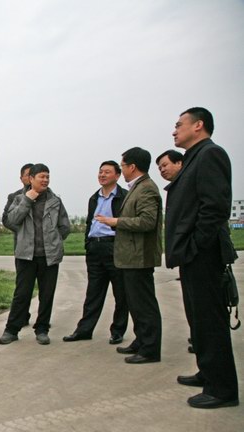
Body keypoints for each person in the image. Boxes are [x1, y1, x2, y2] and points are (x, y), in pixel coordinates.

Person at [165, 107, 238, 409]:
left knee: (210, 321)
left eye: (179, 124)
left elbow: (215, 207)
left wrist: (196, 245)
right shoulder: (194, 158)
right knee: (198, 319)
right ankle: (208, 372)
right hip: (192, 255)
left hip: (203, 255)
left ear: (198, 125)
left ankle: (222, 390)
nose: (174, 130)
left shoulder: (210, 154)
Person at [95, 147, 162, 364]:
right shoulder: (136, 188)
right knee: (135, 304)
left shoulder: (146, 188)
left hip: (139, 257)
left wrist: (116, 221)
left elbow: (147, 221)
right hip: (130, 257)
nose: (122, 169)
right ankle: (141, 341)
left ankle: (150, 349)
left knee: (144, 305)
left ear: (132, 167)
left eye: (122, 166)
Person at [0, 163, 70, 346]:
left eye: (47, 176)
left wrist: (54, 240)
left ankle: (42, 329)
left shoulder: (55, 201)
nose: (45, 180)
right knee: (21, 294)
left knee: (47, 295)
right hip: (26, 256)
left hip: (49, 256)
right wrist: (27, 199)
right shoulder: (18, 199)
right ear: (31, 179)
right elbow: (12, 220)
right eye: (41, 177)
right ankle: (11, 330)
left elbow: (64, 226)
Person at [63, 161, 128, 344]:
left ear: (117, 175)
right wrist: (87, 243)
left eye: (107, 172)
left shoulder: (124, 196)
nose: (102, 175)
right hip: (94, 248)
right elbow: (90, 223)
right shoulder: (94, 198)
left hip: (114, 246)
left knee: (121, 293)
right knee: (93, 293)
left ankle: (118, 331)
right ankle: (84, 330)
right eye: (100, 172)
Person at [156, 149, 193, 353]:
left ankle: (205, 340)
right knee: (192, 303)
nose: (162, 170)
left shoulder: (188, 183)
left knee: (203, 305)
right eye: (159, 167)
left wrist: (193, 245)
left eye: (165, 165)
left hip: (197, 252)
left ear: (179, 163)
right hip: (186, 255)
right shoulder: (176, 186)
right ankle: (198, 336)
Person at [2, 163, 33, 326]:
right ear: (21, 178)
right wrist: (23, 231)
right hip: (22, 248)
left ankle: (42, 322)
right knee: (22, 285)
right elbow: (7, 219)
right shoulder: (14, 197)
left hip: (42, 249)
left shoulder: (47, 197)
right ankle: (22, 316)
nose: (30, 178)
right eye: (28, 175)